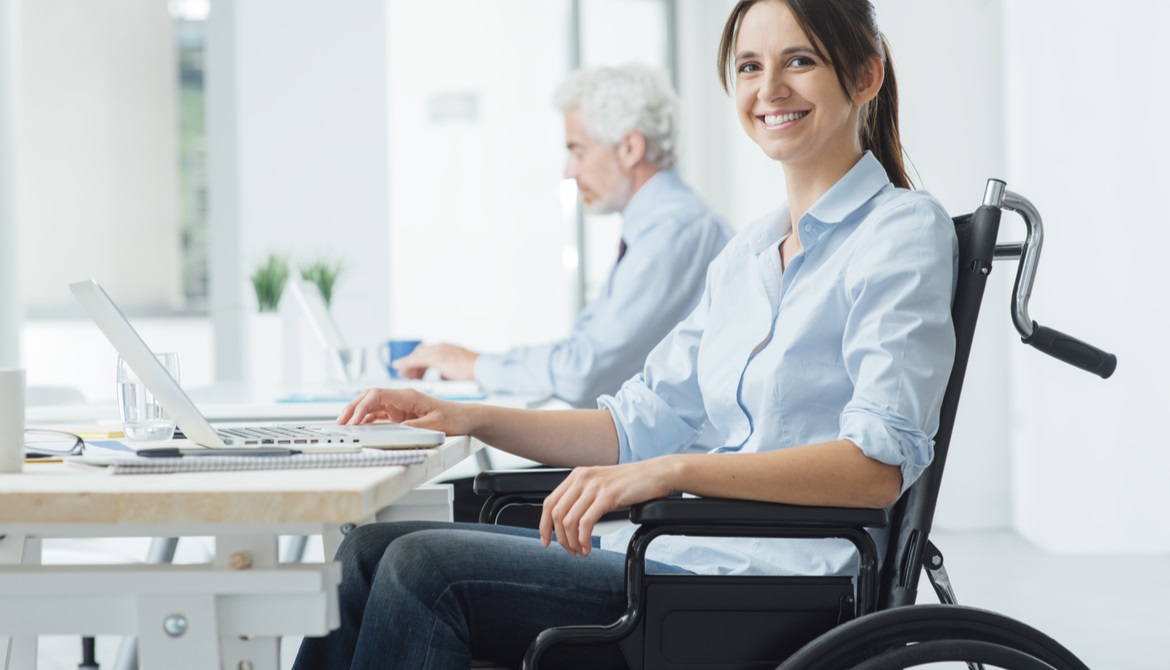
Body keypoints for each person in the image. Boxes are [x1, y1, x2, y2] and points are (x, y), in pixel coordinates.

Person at [293, 0, 958, 668]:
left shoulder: (900, 232)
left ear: (866, 75)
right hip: (683, 560)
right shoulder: (746, 257)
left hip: (773, 588)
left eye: (801, 61)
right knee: (364, 552)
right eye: (750, 66)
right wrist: (463, 415)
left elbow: (875, 469)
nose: (769, 88)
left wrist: (669, 472)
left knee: (419, 568)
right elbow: (634, 422)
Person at [391, 65, 732, 409]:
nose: (569, 171)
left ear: (629, 148)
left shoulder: (674, 232)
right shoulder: (659, 228)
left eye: (578, 151)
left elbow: (584, 370)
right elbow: (586, 351)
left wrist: (474, 365)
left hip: (677, 456)